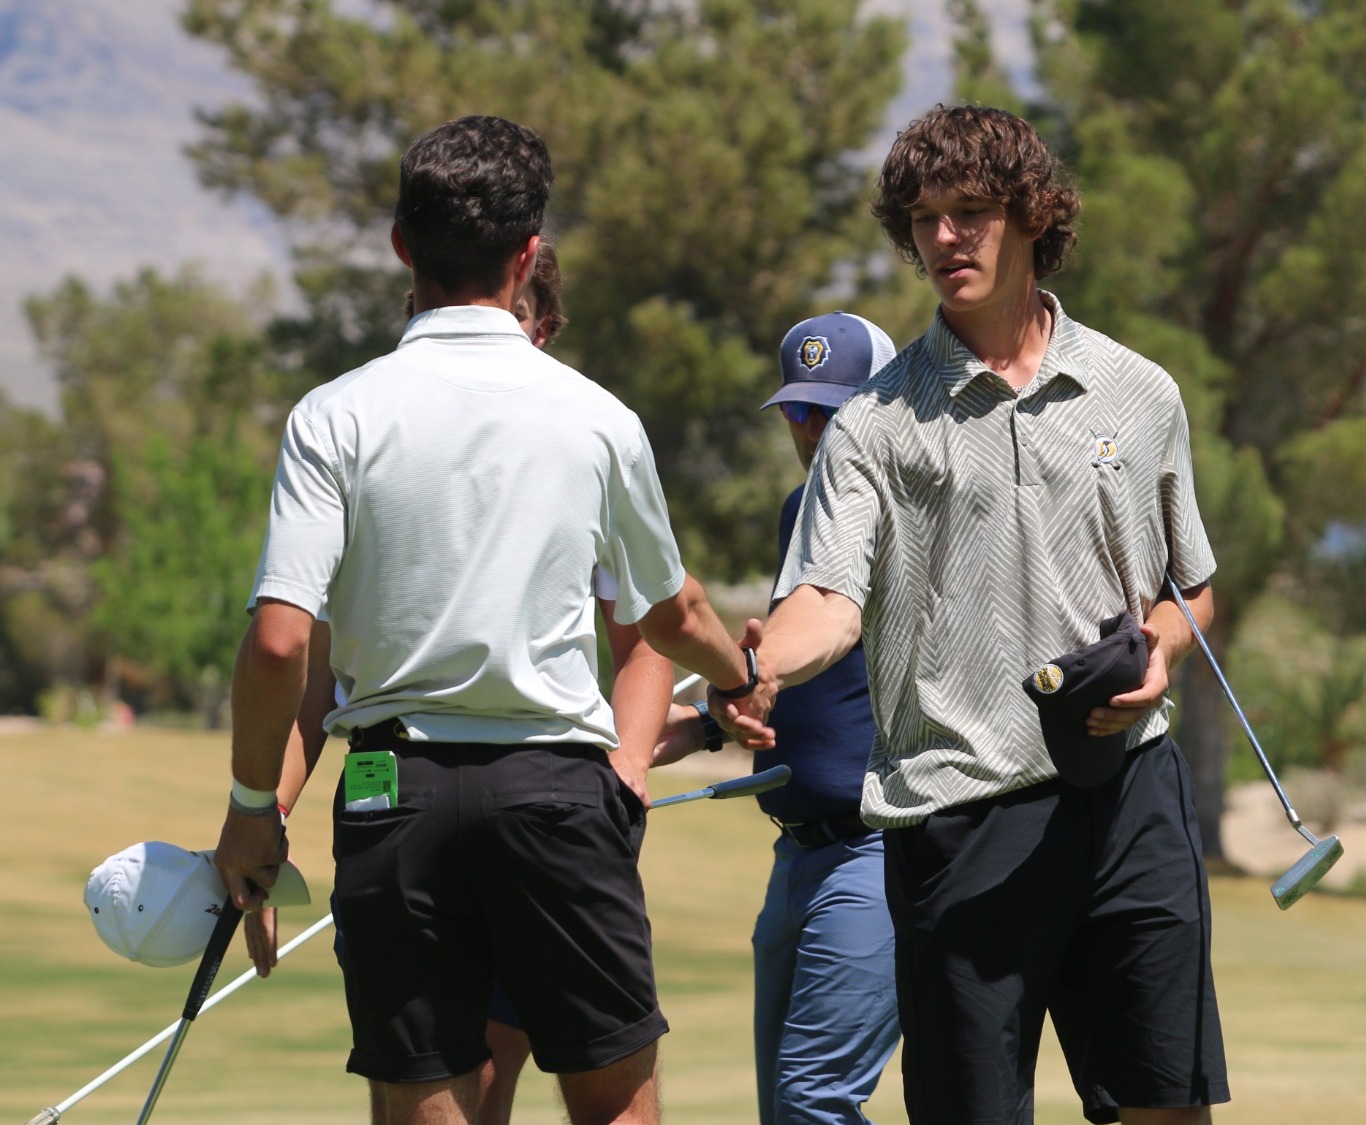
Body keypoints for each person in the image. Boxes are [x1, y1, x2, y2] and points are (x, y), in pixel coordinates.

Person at [213, 115, 765, 1125]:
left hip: (391, 795)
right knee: (612, 1105)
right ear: (527, 257)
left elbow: (283, 644)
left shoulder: (333, 414)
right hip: (553, 792)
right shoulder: (598, 417)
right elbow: (673, 614)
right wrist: (735, 680)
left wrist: (256, 804)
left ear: (398, 248)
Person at [713, 105, 1226, 1125]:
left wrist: (1160, 653)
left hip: (1128, 795)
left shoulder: (1137, 392)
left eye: (972, 211)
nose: (944, 237)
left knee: (1161, 1106)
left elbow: (1189, 589)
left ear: (1034, 215)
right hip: (957, 812)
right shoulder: (871, 423)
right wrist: (768, 662)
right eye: (924, 217)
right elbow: (826, 601)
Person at [249, 237, 670, 1125]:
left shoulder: (340, 412)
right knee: (594, 1102)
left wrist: (627, 769)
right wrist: (267, 811)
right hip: (518, 793)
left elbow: (643, 634)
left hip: (418, 794)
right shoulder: (599, 418)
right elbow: (313, 672)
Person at [661, 312, 902, 1124]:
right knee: (788, 1111)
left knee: (814, 1102)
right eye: (799, 410)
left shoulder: (912, 508)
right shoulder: (803, 510)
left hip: (877, 848)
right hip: (796, 854)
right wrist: (702, 722)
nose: (809, 428)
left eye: (830, 411)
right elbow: (791, 674)